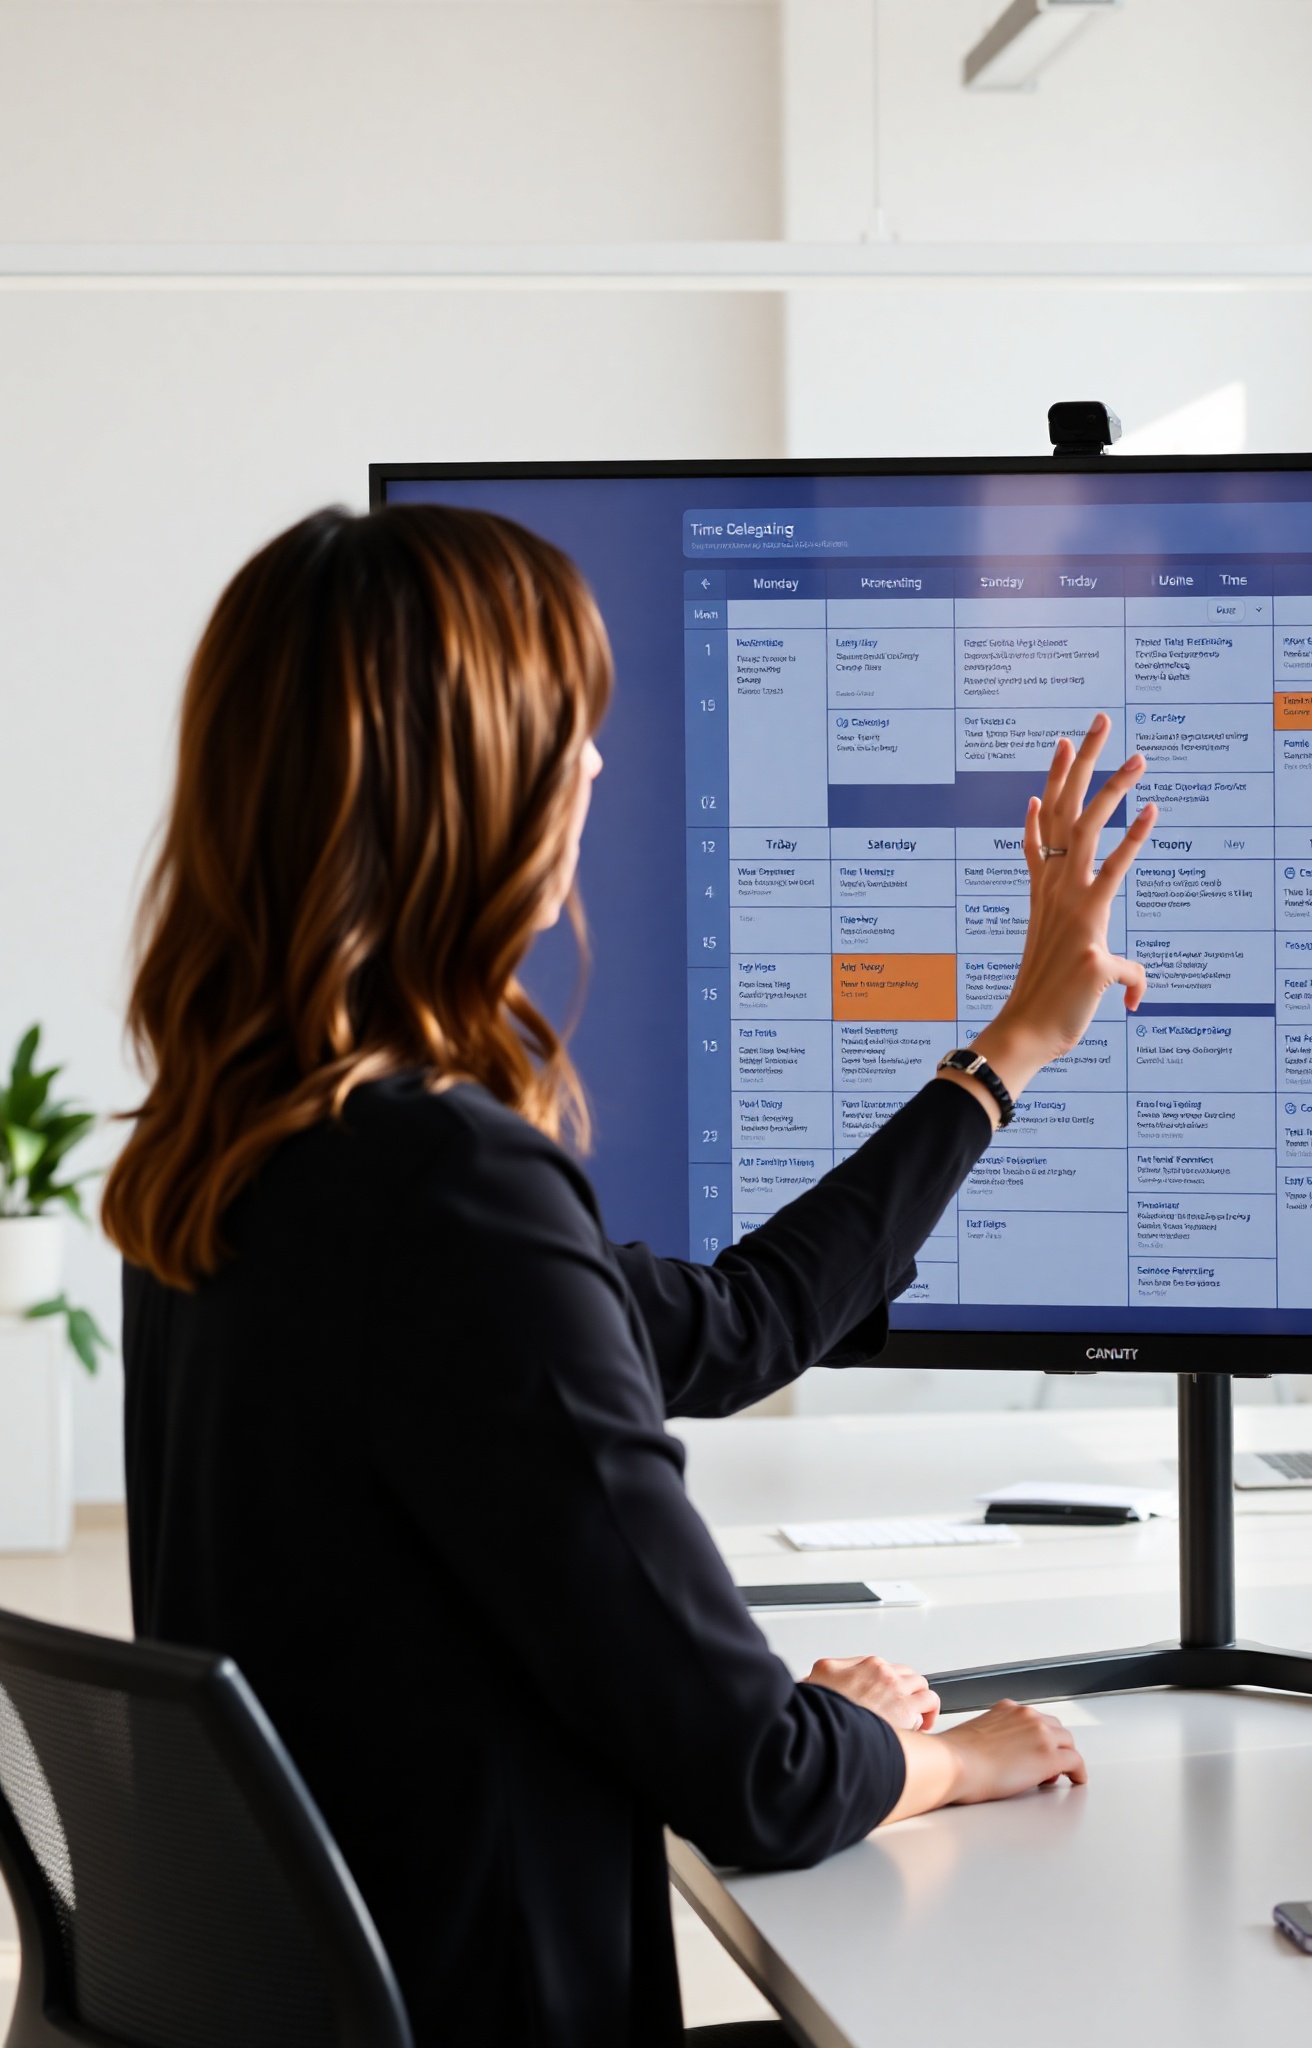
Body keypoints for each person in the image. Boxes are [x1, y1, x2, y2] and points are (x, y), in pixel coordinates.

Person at [102, 505, 1158, 2048]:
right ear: (463, 786)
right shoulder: (454, 1194)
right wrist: (937, 1754)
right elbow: (760, 1780)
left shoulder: (232, 1154)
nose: (596, 767)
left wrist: (1004, 1057)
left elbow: (738, 1324)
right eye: (566, 732)